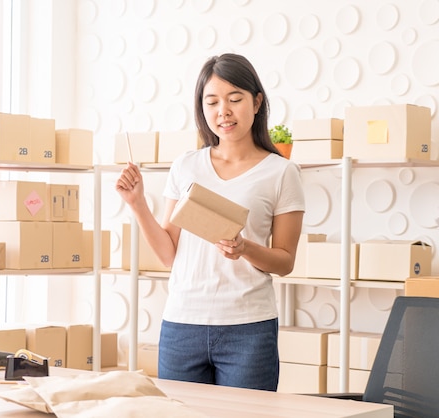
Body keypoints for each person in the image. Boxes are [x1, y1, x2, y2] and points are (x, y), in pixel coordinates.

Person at [115, 53, 305, 391]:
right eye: (212, 102)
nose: (223, 111)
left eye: (235, 99)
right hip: (181, 325)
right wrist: (138, 204)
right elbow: (170, 256)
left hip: (248, 328)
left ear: (257, 102)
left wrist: (244, 248)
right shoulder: (186, 166)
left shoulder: (282, 172)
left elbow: (285, 262)